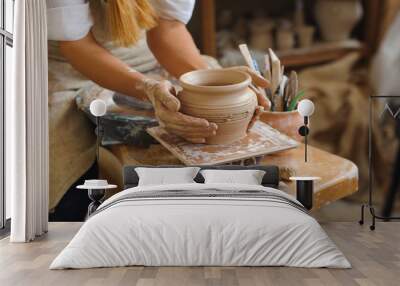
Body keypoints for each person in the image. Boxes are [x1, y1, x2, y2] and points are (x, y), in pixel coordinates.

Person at [47, 0, 269, 219]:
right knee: (60, 168)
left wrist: (213, 81)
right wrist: (147, 87)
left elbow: (168, 27)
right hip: (67, 64)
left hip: (147, 53)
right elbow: (75, 45)